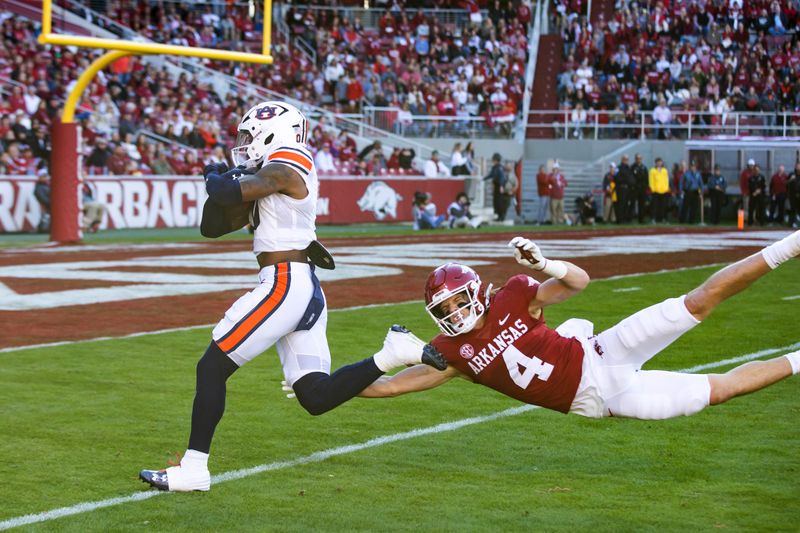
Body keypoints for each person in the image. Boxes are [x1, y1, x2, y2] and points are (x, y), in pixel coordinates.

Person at [139, 101, 444, 492]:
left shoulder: (289, 161)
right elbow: (211, 226)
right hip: (300, 284)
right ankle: (391, 354)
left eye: (249, 136)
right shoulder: (268, 174)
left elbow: (225, 190)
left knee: (211, 366)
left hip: (285, 282)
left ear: (274, 132)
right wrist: (223, 181)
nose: (244, 143)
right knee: (314, 395)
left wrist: (217, 176)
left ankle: (195, 469)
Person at [358, 232, 800, 423]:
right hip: (604, 397)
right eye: (445, 308)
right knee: (720, 390)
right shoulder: (449, 351)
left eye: (457, 301)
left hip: (601, 352)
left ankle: (791, 244)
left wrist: (546, 263)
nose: (454, 313)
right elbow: (391, 387)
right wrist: (323, 384)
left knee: (696, 303)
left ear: (475, 290)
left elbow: (578, 283)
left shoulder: (513, 295)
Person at [484, 153, 509, 222]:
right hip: (496, 186)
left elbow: (502, 178)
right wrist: (483, 179)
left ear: (496, 160)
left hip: (499, 186)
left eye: (494, 160)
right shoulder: (494, 167)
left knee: (499, 202)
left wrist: (501, 186)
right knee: (495, 202)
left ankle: (501, 216)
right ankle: (498, 216)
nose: (493, 161)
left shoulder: (499, 168)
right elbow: (491, 175)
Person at [649, 157, 670, 223]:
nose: (659, 163)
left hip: (664, 191)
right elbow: (651, 180)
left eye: (660, 162)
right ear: (655, 163)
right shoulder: (652, 170)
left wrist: (667, 188)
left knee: (663, 206)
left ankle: (663, 218)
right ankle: (653, 218)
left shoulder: (664, 170)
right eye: (658, 162)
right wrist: (652, 188)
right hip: (655, 191)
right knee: (655, 206)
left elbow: (666, 180)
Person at [631, 153, 649, 223]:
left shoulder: (644, 167)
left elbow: (646, 178)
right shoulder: (632, 167)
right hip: (635, 188)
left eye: (640, 158)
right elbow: (631, 177)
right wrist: (633, 186)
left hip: (642, 188)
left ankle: (641, 219)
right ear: (635, 159)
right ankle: (630, 218)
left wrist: (646, 187)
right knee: (632, 203)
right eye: (637, 158)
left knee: (642, 204)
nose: (639, 160)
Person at [33, 165, 50, 234]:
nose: (46, 178)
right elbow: (43, 199)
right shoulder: (39, 187)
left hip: (49, 205)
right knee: (45, 217)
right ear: (39, 177)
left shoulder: (46, 185)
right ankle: (42, 228)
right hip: (47, 206)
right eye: (44, 176)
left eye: (46, 176)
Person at [788, 162, 800, 228]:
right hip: (793, 196)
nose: (798, 168)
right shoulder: (792, 174)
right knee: (793, 210)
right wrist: (790, 179)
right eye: (797, 166)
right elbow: (786, 184)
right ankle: (791, 223)